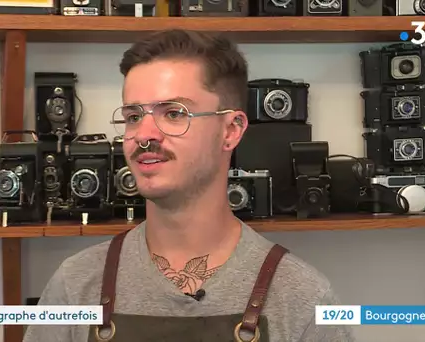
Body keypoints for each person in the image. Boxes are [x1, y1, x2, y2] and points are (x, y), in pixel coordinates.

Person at [24, 29, 354, 342]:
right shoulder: (75, 286)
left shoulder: (304, 300)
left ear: (231, 130)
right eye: (134, 116)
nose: (144, 134)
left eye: (173, 113)